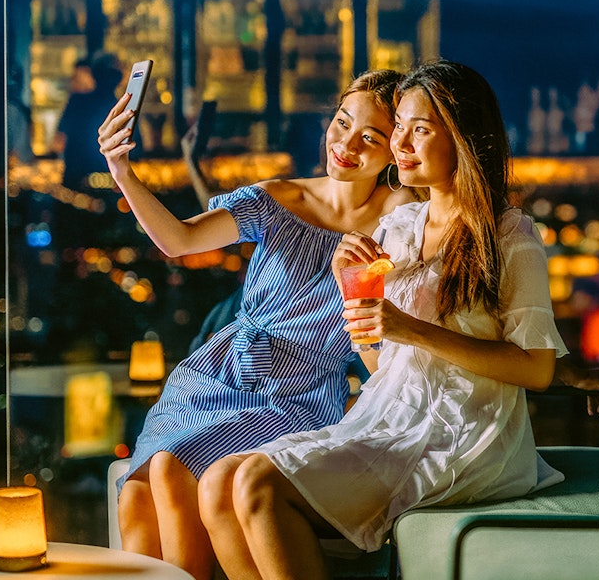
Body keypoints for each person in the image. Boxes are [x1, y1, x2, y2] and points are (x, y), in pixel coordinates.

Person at [197, 59, 577, 579]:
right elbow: (382, 365)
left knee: (257, 482)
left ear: (464, 139)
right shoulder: (400, 226)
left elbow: (535, 370)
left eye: (420, 129)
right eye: (399, 127)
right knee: (219, 481)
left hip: (465, 435)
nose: (401, 143)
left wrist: (409, 327)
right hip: (390, 415)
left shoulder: (509, 237)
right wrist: (348, 288)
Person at [97, 69, 415, 579]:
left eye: (371, 137)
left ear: (395, 151)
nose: (346, 144)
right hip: (215, 374)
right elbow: (178, 240)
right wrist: (121, 170)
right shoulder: (276, 199)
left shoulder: (401, 222)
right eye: (341, 122)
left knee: (168, 468)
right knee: (136, 497)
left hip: (297, 393)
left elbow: (388, 333)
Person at [57, 51, 125, 191]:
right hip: (111, 185)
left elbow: (58, 141)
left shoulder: (77, 102)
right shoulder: (123, 109)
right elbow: (137, 151)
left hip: (76, 183)